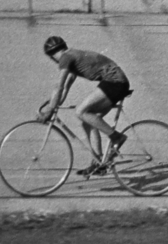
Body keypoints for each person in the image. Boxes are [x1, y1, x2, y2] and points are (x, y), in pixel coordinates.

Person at [39, 36, 131, 178]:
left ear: (53, 54)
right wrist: (54, 104)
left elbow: (59, 85)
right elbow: (65, 87)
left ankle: (117, 138)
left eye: (51, 57)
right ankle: (98, 163)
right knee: (88, 120)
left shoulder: (66, 57)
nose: (53, 60)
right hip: (116, 82)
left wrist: (50, 109)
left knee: (81, 111)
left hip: (115, 83)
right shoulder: (72, 56)